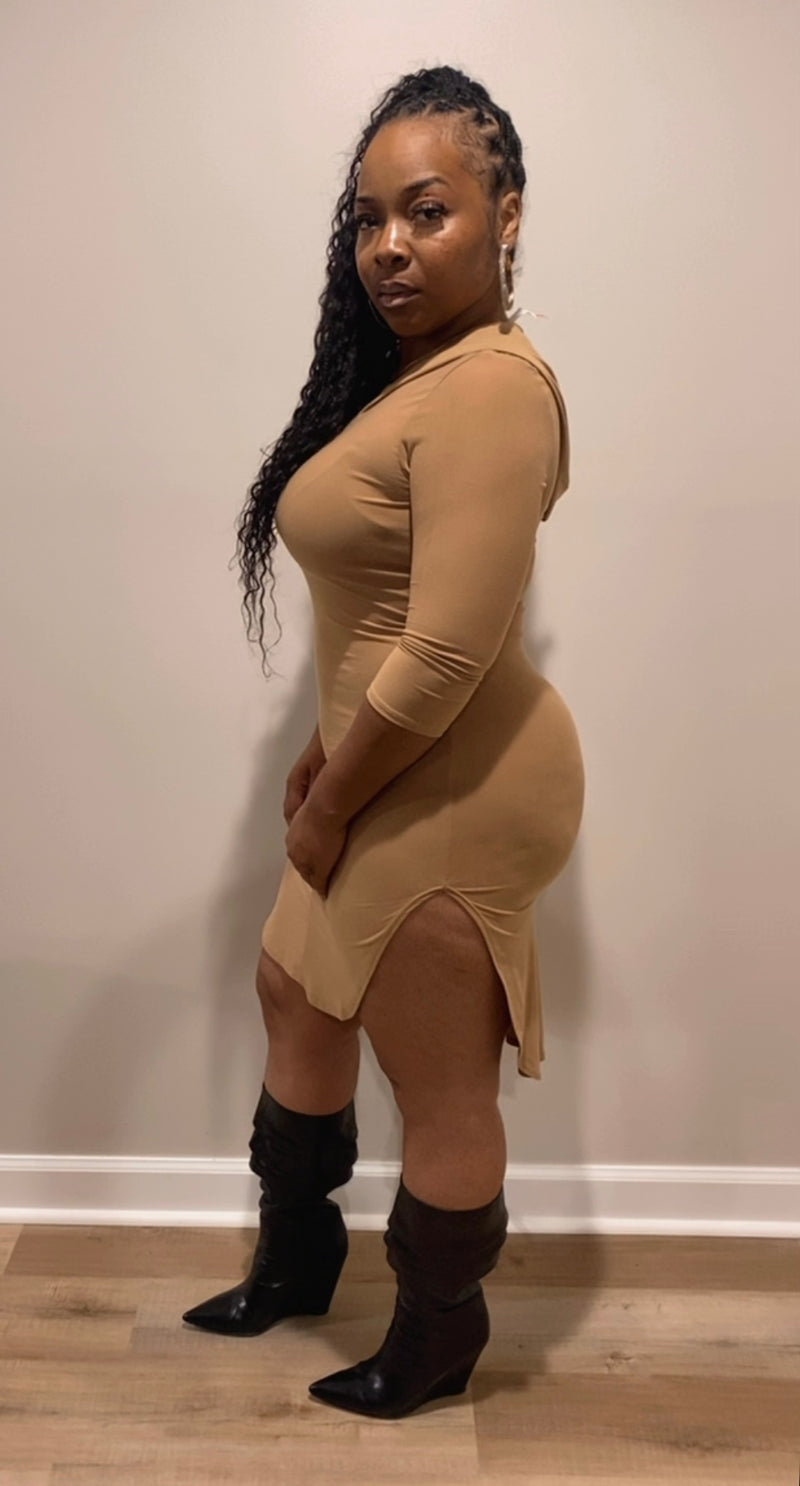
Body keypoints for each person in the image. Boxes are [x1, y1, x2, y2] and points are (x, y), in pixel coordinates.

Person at [182, 63, 585, 1420]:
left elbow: (448, 650)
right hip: (379, 760)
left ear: (505, 217)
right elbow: (383, 618)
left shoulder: (493, 389)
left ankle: (436, 1337)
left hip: (456, 775)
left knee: (438, 1076)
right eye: (369, 219)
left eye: (427, 211)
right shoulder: (419, 377)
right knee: (295, 991)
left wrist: (330, 798)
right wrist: (321, 764)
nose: (390, 247)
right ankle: (298, 1260)